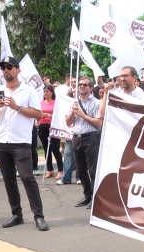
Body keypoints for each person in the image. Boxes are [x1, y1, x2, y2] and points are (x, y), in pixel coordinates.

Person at [0, 56, 49, 231]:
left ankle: (39, 216)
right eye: (3, 68)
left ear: (18, 70)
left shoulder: (28, 90)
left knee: (27, 177)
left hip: (20, 142)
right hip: (1, 141)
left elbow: (38, 114)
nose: (6, 70)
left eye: (9, 67)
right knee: (9, 180)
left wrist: (16, 107)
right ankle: (17, 214)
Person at [66, 76, 102, 209]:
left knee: (93, 170)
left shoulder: (96, 103)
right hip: (76, 137)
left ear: (91, 88)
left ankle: (96, 197)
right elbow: (68, 123)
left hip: (90, 137)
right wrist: (73, 112)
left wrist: (82, 115)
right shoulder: (74, 102)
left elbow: (99, 122)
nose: (82, 86)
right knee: (80, 170)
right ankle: (87, 195)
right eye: (80, 84)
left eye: (85, 85)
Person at [38, 85, 63, 179]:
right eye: (44, 91)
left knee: (55, 148)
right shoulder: (40, 103)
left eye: (47, 91)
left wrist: (48, 115)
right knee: (46, 149)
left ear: (52, 92)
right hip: (42, 126)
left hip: (53, 126)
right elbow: (39, 114)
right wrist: (47, 115)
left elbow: (58, 114)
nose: (45, 93)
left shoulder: (56, 103)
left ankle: (60, 170)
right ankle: (50, 169)